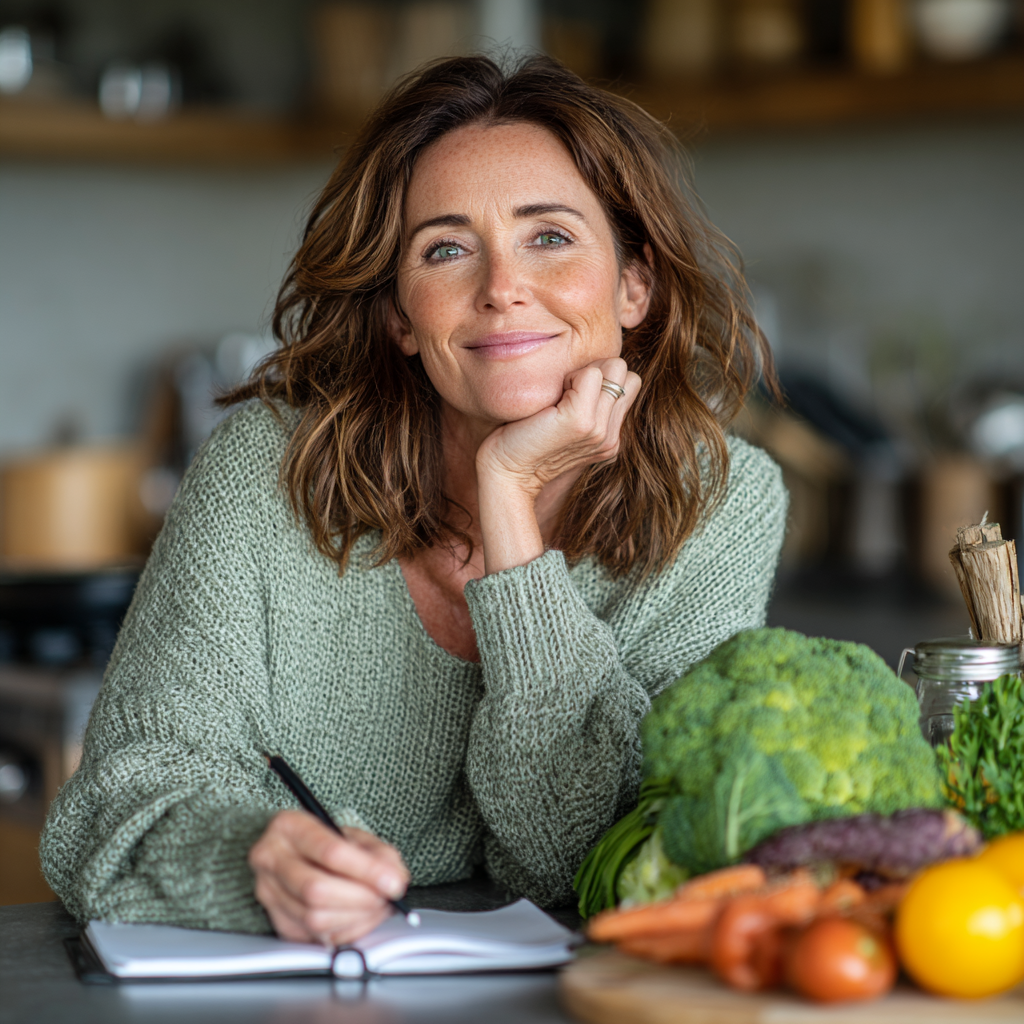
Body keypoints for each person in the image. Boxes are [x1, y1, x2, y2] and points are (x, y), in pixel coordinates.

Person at [41, 55, 787, 946]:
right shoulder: (272, 469)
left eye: (549, 236)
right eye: (446, 248)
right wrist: (255, 862)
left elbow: (589, 854)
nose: (501, 286)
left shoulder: (722, 499)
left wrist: (507, 503)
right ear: (401, 314)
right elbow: (106, 812)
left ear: (636, 284)